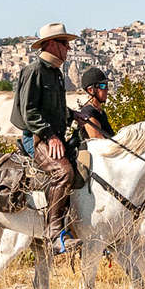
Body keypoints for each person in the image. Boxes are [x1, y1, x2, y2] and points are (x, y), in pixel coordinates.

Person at [11, 22, 79, 250]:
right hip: (37, 138)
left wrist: (73, 115)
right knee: (63, 173)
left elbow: (53, 109)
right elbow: (28, 111)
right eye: (64, 43)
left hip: (53, 136)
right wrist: (50, 136)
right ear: (50, 44)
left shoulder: (56, 74)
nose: (68, 48)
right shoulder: (34, 71)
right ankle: (54, 233)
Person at [70, 65, 115, 140]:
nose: (107, 89)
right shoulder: (88, 113)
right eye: (103, 86)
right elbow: (99, 141)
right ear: (91, 90)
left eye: (107, 86)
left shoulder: (100, 112)